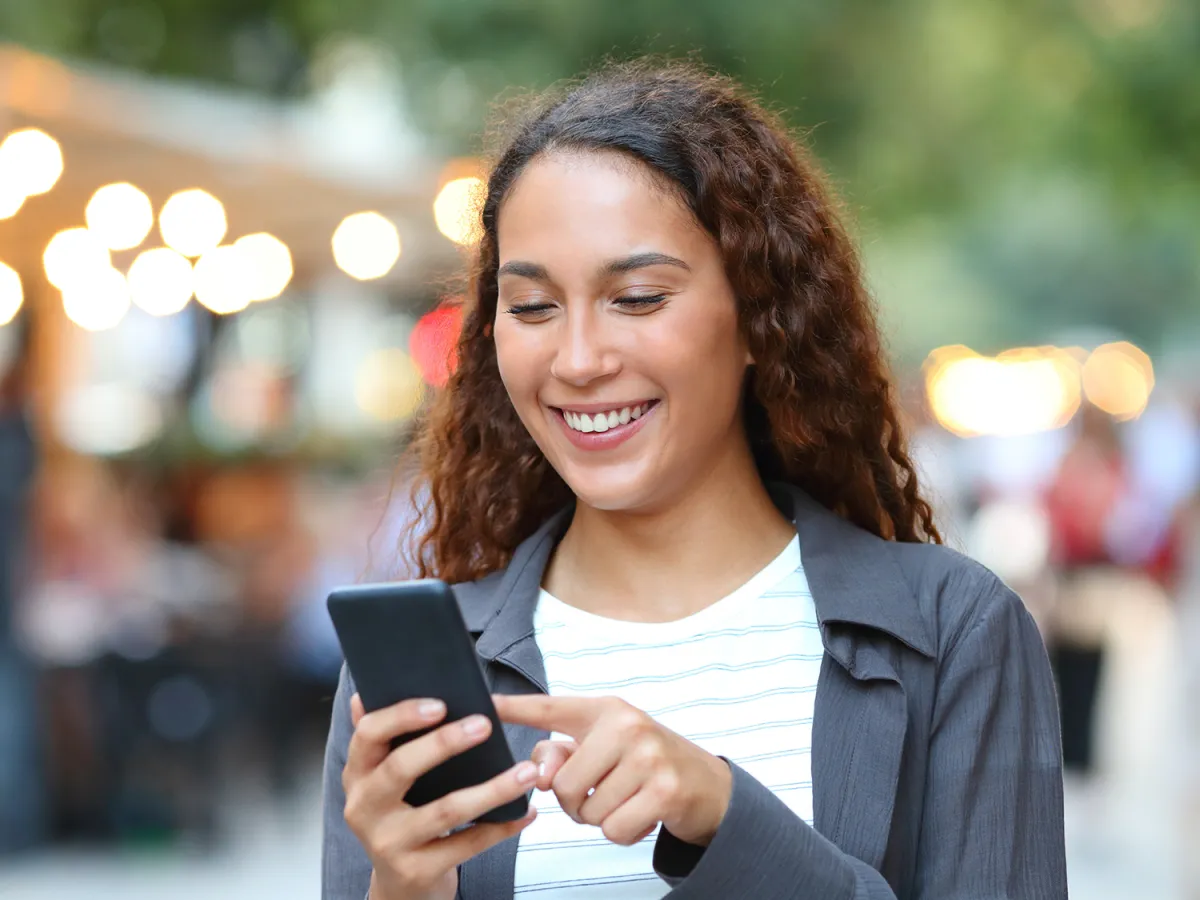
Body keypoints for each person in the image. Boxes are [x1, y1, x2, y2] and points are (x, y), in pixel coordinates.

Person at [322, 60, 1066, 899]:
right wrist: (401, 887)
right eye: (532, 307)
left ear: (759, 314)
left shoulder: (954, 633)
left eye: (637, 297)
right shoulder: (427, 675)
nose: (577, 360)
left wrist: (723, 816)